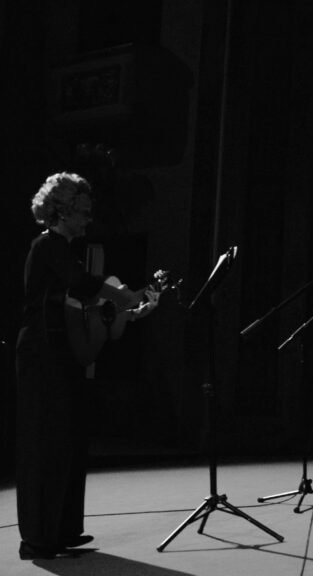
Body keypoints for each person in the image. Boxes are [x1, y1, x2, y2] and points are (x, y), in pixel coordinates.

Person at [16, 172, 151, 560]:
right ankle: (37, 539)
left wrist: (127, 311)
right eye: (84, 212)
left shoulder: (63, 248)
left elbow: (83, 304)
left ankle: (62, 530)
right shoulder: (47, 245)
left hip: (60, 352)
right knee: (46, 444)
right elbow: (82, 283)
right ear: (62, 211)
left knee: (69, 442)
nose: (89, 220)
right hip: (41, 354)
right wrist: (123, 295)